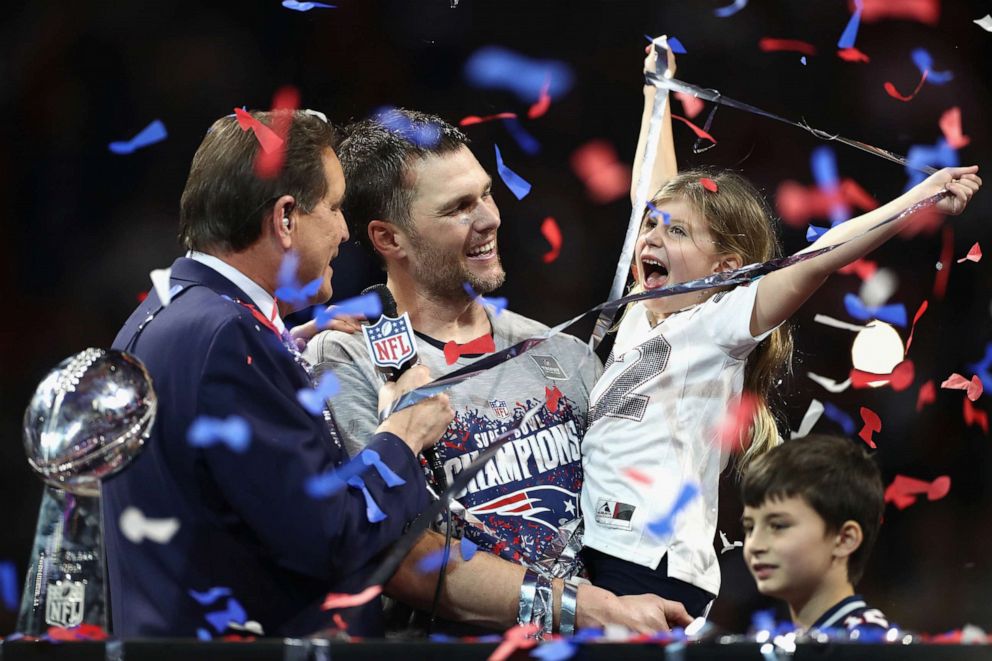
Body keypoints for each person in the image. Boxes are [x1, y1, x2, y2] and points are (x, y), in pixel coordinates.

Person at [578, 39, 981, 617]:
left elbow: (820, 258)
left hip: (650, 563)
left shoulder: (718, 322)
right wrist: (655, 94)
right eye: (651, 230)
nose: (651, 239)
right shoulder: (643, 310)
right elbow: (652, 192)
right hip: (601, 548)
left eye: (676, 234)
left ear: (725, 270)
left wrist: (916, 199)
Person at [301, 108, 691, 635]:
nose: (489, 218)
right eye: (459, 208)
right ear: (389, 239)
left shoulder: (566, 356)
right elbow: (400, 558)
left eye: (485, 193)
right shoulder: (349, 360)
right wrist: (586, 608)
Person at [102, 109, 455, 638]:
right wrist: (403, 434)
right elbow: (336, 541)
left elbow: (222, 498)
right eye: (334, 208)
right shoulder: (228, 340)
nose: (343, 231)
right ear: (286, 217)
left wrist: (282, 345)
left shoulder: (166, 313)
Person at [741, 435, 890, 635]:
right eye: (749, 528)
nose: (754, 545)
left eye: (778, 526)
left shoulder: (870, 645)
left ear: (845, 539)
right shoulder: (773, 642)